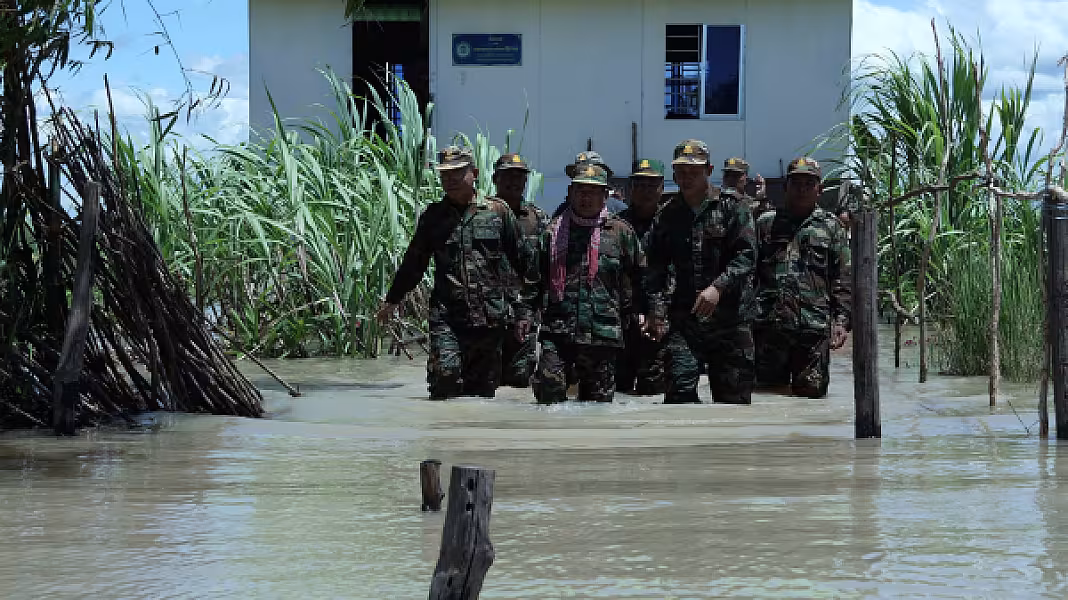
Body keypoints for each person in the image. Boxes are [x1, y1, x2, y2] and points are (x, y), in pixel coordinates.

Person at [376, 146, 530, 400]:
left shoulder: (497, 213)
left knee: (481, 395)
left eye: (457, 173)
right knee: (445, 377)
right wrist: (392, 300)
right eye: (445, 175)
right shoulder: (434, 217)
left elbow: (525, 264)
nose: (450, 180)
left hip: (489, 319)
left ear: (475, 173)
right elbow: (414, 264)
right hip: (447, 317)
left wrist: (525, 310)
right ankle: (439, 437)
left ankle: (470, 439)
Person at [521, 164, 647, 404]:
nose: (586, 198)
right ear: (570, 193)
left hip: (602, 334)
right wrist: (525, 315)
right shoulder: (552, 233)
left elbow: (642, 277)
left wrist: (644, 313)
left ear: (605, 196)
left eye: (593, 192)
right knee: (548, 392)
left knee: (597, 406)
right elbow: (534, 281)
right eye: (581, 191)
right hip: (558, 330)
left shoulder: (621, 233)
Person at [644, 140, 758, 405]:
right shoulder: (667, 216)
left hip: (730, 321)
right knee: (678, 400)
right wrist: (656, 312)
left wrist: (718, 287)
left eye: (693, 172)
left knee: (733, 404)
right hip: (686, 321)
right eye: (681, 172)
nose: (686, 178)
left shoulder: (733, 207)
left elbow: (747, 255)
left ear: (709, 170)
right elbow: (655, 269)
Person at [752, 157, 851, 398]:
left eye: (809, 183)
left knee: (811, 398)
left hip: (813, 329)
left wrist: (841, 321)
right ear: (786, 187)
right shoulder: (766, 224)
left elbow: (843, 277)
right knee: (766, 398)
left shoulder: (831, 227)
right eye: (796, 183)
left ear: (819, 190)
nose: (802, 189)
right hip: (769, 327)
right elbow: (748, 273)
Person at [492, 153, 549, 388]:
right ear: (495, 178)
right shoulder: (482, 214)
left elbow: (547, 266)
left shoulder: (539, 219)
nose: (514, 182)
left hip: (524, 313)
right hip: (487, 313)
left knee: (519, 377)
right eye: (507, 176)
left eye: (519, 177)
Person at [614, 158, 668, 395]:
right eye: (639, 185)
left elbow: (678, 271)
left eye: (651, 186)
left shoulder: (672, 223)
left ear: (662, 189)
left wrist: (657, 314)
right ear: (630, 189)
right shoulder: (616, 226)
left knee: (655, 394)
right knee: (617, 392)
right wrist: (633, 312)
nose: (645, 192)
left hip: (663, 321)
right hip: (623, 320)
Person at [552, 151, 615, 219]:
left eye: (593, 191)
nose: (586, 198)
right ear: (570, 191)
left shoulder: (616, 211)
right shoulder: (562, 213)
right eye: (580, 190)